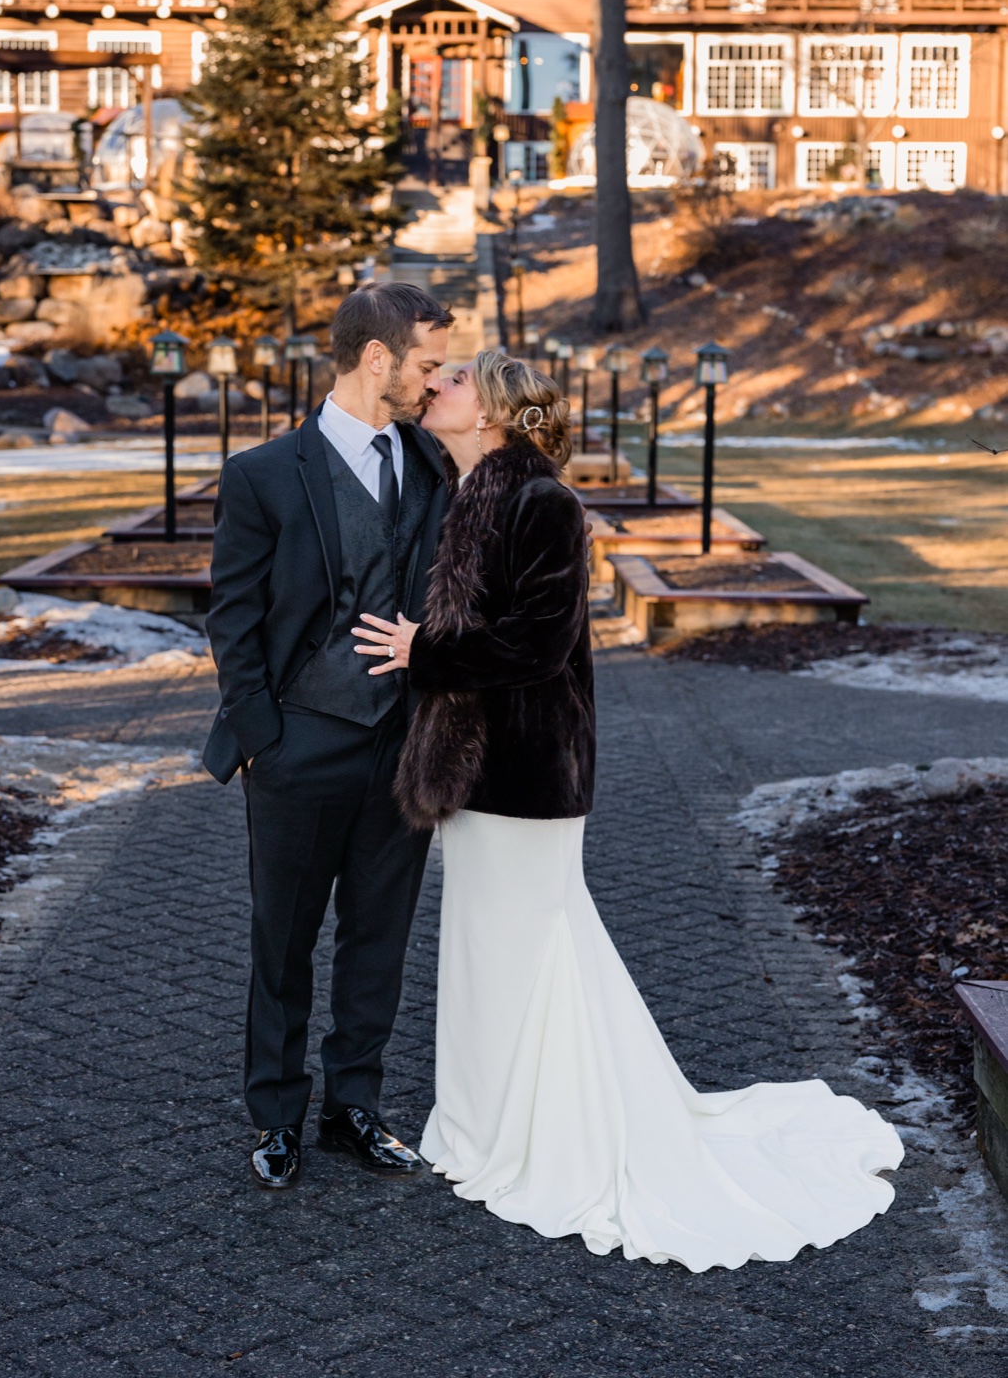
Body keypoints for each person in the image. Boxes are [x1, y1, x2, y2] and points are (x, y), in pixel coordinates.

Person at [353, 348, 905, 1272]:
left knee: (527, 954)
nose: (433, 386)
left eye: (450, 379)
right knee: (499, 954)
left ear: (489, 411)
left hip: (528, 773)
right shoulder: (475, 492)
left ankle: (549, 1140)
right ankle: (490, 1127)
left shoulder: (543, 504)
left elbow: (535, 644)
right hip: (482, 773)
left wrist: (426, 651)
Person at [204, 282, 453, 1190]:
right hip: (299, 743)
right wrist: (263, 733)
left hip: (402, 745)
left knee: (379, 939)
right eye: (427, 365)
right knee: (284, 940)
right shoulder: (265, 473)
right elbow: (232, 617)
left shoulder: (431, 464)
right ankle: (276, 1115)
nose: (436, 382)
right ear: (377, 358)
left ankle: (355, 1106)